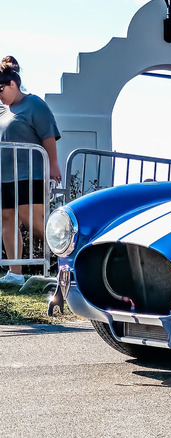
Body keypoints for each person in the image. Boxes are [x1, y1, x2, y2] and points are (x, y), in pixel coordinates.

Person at [0, 56, 62, 285]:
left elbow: (48, 134)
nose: (0, 96)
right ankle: (14, 273)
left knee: (33, 220)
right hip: (5, 176)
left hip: (30, 173)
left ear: (13, 84)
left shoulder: (35, 104)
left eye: (1, 90)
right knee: (8, 219)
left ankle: (70, 258)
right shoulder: (2, 110)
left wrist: (53, 165)